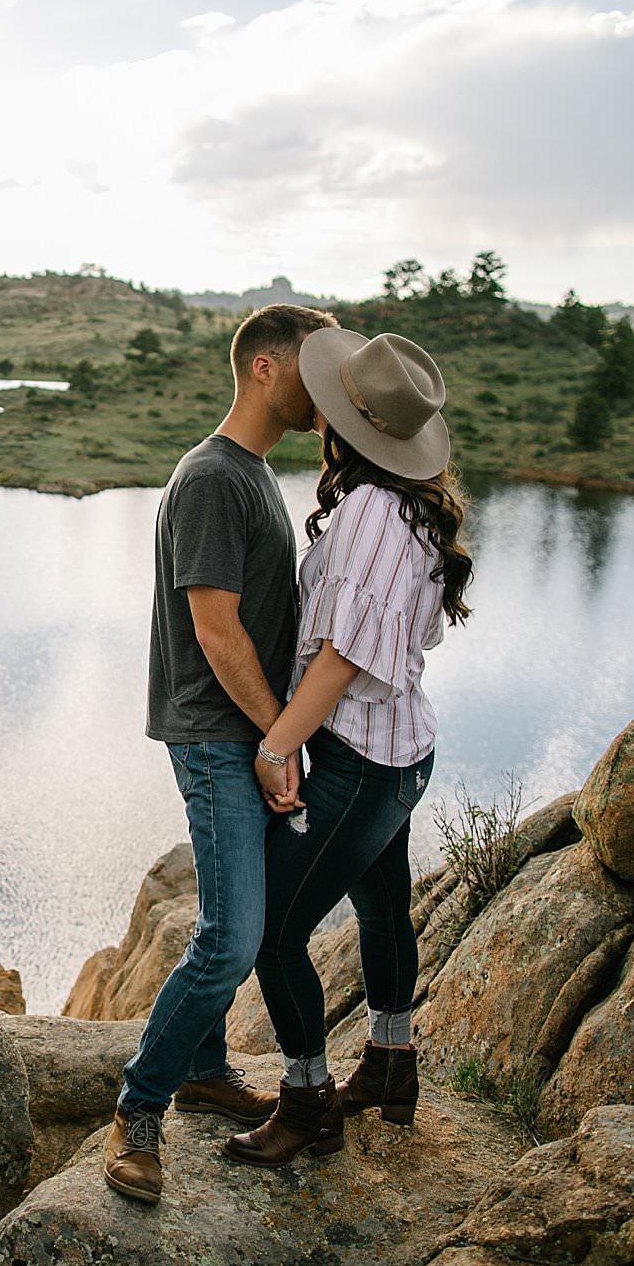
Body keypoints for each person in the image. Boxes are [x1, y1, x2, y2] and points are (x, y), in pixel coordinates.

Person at [104, 303, 341, 1205]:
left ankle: (202, 1063)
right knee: (232, 938)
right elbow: (215, 629)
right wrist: (279, 735)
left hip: (245, 732)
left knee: (238, 919)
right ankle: (139, 1105)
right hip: (217, 734)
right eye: (317, 368)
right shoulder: (211, 477)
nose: (335, 392)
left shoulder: (250, 472)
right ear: (268, 370)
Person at [220, 326, 472, 1168]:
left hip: (362, 763)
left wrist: (276, 743)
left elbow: (341, 657)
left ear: (345, 422)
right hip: (405, 750)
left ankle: (306, 1102)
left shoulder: (367, 511)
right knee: (382, 908)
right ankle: (392, 1067)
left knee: (273, 934)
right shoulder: (410, 500)